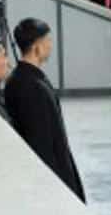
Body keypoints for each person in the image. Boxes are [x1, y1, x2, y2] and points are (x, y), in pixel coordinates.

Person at [5, 17, 86, 201]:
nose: (50, 46)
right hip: (51, 181)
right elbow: (40, 142)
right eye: (48, 41)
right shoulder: (30, 85)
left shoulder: (26, 79)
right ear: (37, 46)